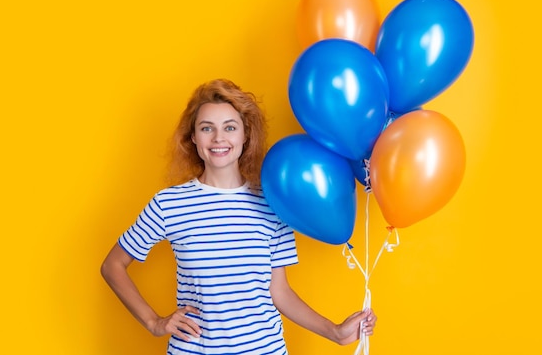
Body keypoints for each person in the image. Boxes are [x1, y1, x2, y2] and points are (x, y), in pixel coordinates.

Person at [101, 78, 377, 355]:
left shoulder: (271, 203)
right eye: (206, 128)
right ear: (193, 137)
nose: (218, 138)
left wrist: (335, 332)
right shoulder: (169, 204)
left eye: (229, 128)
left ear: (245, 135)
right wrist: (154, 322)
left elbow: (279, 292)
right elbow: (112, 265)